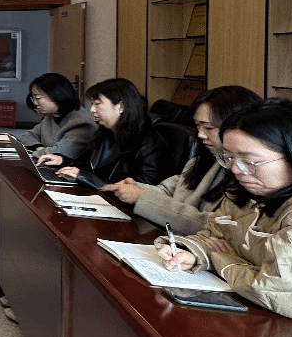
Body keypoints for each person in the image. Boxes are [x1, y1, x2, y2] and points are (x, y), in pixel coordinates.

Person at [156, 98, 292, 327]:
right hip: (251, 312)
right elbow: (215, 236)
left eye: (249, 161)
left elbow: (274, 293)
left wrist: (222, 258)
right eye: (229, 158)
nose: (235, 169)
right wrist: (191, 253)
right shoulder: (248, 191)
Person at [104, 85, 261, 233]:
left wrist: (142, 197)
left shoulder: (251, 176)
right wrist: (136, 188)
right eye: (198, 126)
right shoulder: (203, 161)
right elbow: (169, 191)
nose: (200, 134)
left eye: (208, 127)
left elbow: (214, 226)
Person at [45, 78, 171, 189]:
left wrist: (84, 177)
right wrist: (63, 161)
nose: (92, 109)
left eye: (97, 104)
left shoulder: (151, 146)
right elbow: (94, 168)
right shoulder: (106, 133)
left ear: (121, 107)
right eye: (92, 104)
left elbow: (138, 192)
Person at [18, 72, 96, 165]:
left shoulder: (81, 123)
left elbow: (59, 152)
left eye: (38, 98)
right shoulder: (50, 117)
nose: (35, 103)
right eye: (33, 99)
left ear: (57, 95)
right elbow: (27, 136)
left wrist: (40, 151)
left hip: (70, 171)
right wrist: (40, 148)